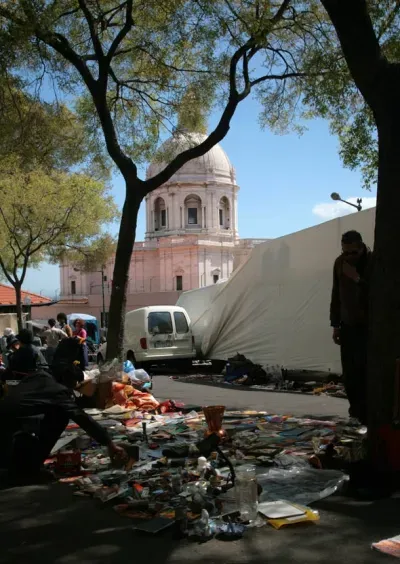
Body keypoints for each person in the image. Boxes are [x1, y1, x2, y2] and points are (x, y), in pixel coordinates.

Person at [0, 360, 126, 485]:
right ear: (67, 379)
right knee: (61, 416)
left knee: (52, 415)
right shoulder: (57, 390)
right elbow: (81, 417)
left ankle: (27, 465)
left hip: (8, 423)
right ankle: (31, 469)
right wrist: (109, 443)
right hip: (13, 431)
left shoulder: (39, 376)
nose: (74, 387)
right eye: (74, 383)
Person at [330, 230, 372, 424]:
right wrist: (335, 324)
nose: (349, 257)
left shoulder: (373, 263)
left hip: (369, 327)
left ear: (361, 247)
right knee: (350, 374)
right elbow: (336, 295)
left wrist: (356, 278)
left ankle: (367, 414)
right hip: (348, 325)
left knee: (366, 372)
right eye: (345, 252)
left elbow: (377, 293)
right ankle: (355, 412)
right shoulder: (340, 263)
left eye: (353, 253)